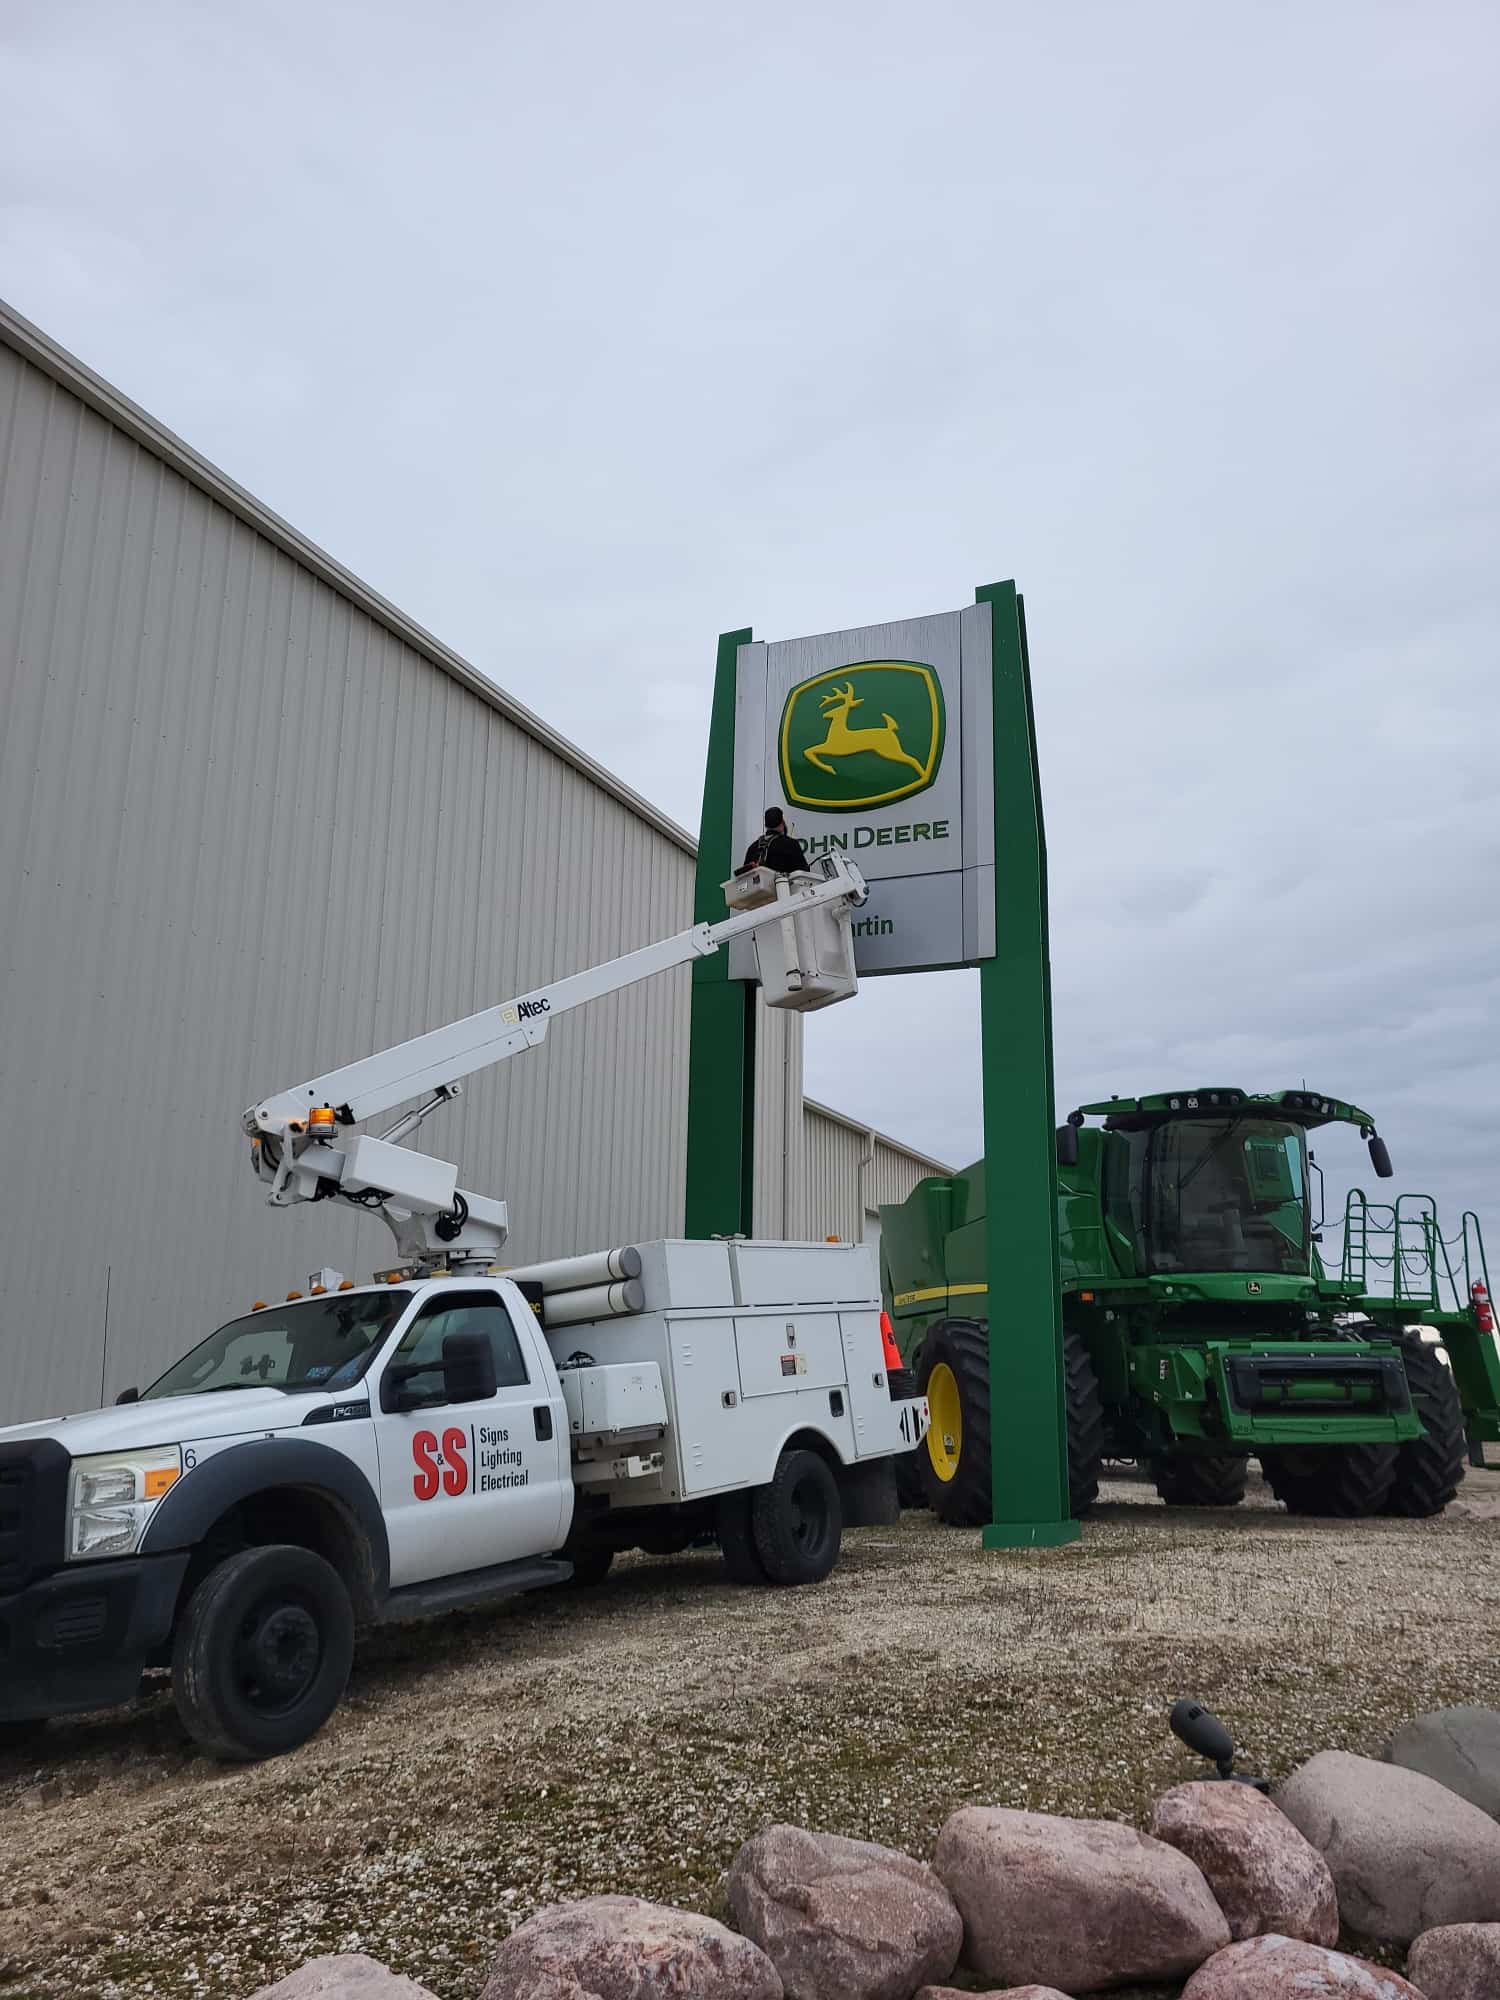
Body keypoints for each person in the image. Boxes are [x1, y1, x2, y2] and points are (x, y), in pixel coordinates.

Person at [741, 806, 809, 875]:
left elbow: (744, 877)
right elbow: (804, 873)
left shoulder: (752, 848)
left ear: (766, 826)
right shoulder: (791, 844)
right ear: (782, 822)